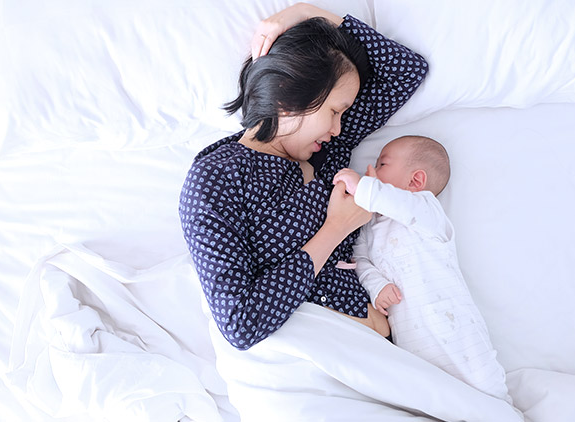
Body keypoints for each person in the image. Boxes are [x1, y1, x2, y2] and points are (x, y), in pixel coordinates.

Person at [179, 3, 428, 351]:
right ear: (289, 91)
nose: (339, 126)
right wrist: (336, 228)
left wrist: (305, 13)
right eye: (334, 111)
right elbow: (240, 323)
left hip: (382, 350)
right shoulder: (216, 179)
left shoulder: (328, 149)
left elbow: (406, 70)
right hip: (312, 358)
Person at [334, 135, 514, 403]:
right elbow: (361, 260)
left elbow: (396, 203)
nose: (371, 170)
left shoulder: (426, 210)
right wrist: (377, 286)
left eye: (382, 164)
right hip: (414, 345)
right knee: (434, 401)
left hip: (457, 332)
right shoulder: (371, 224)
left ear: (415, 181)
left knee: (486, 390)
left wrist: (364, 187)